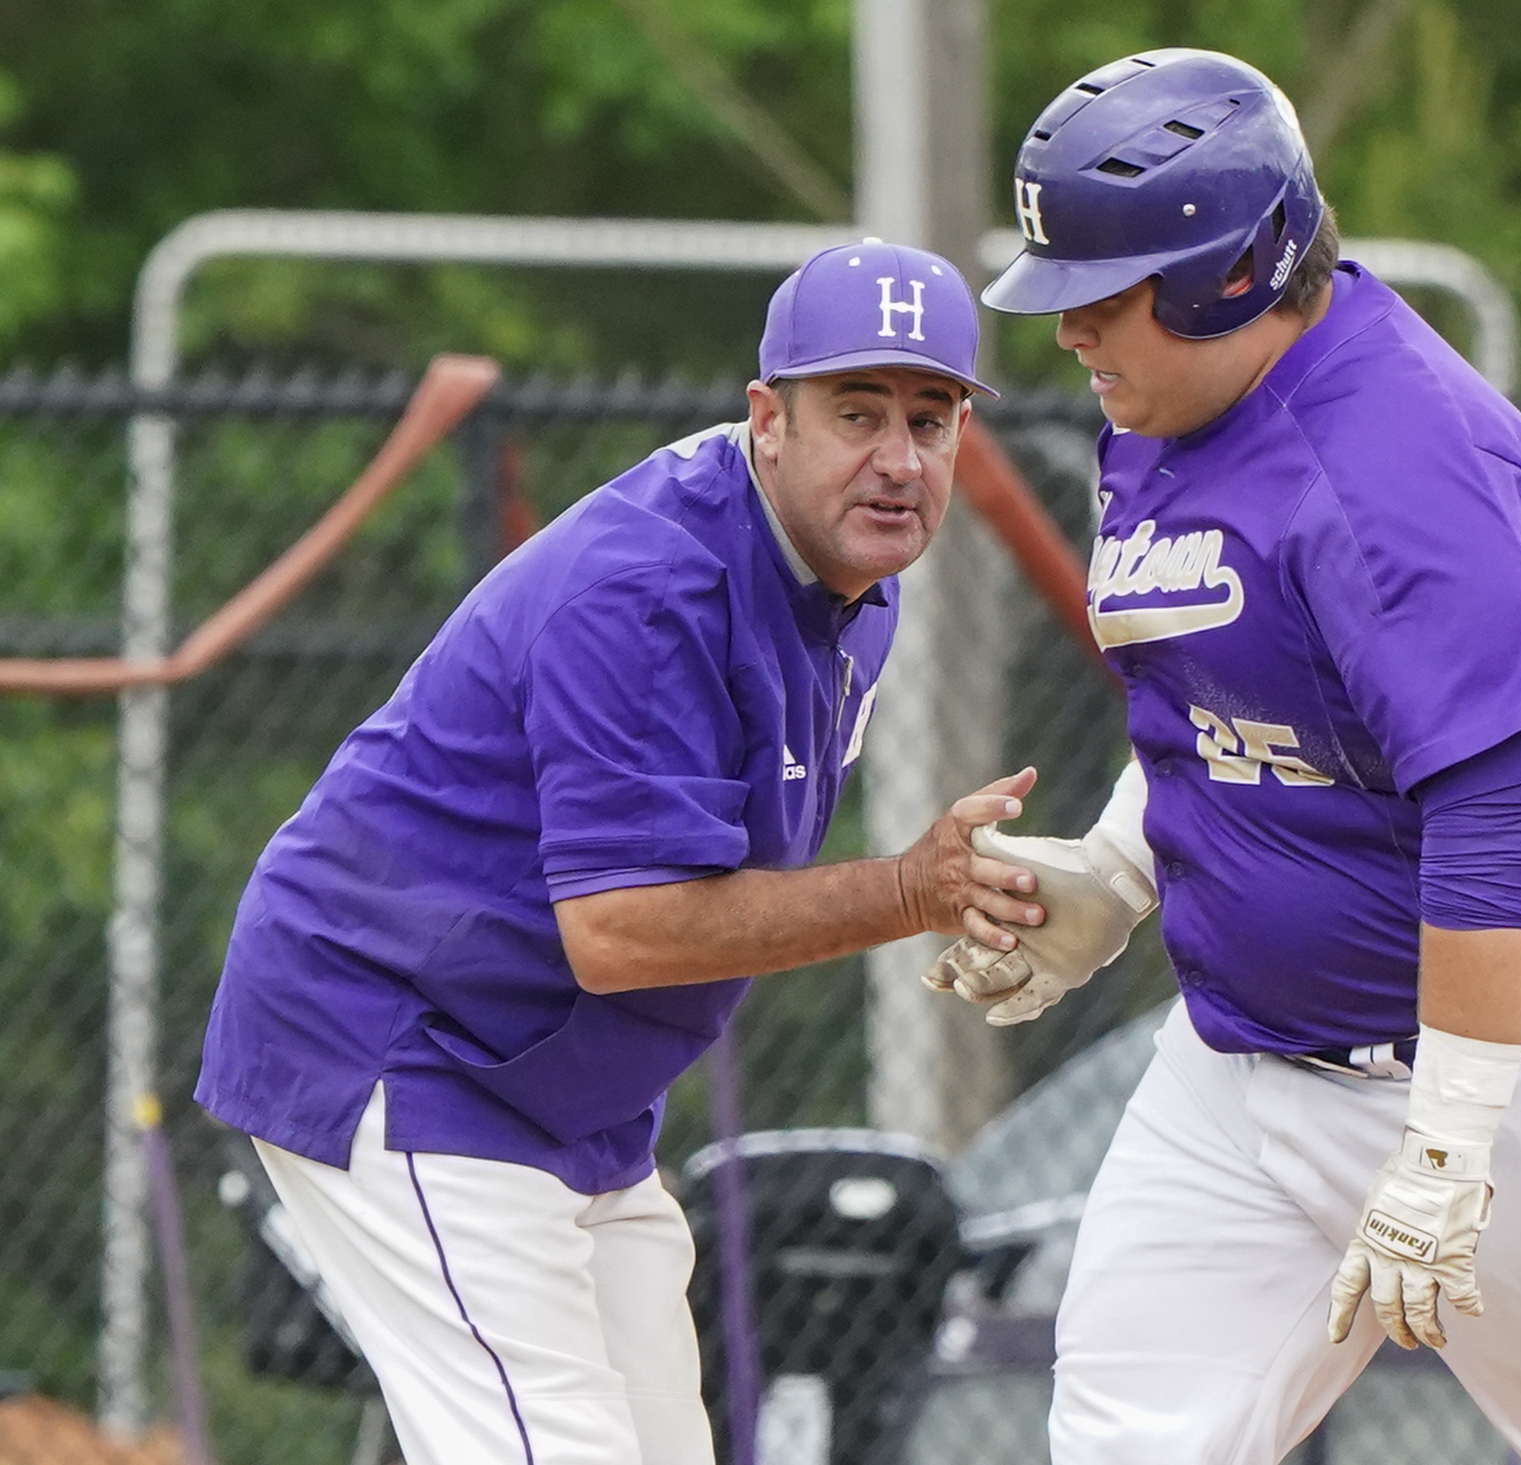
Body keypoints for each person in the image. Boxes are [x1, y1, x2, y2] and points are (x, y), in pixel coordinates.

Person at [928, 47, 1521, 1465]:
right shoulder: (1176, 403)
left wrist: (1442, 1146)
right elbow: (1223, 692)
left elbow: (1498, 815)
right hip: (1247, 1067)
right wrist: (1118, 878)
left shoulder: (1391, 463)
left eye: (1101, 297)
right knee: (1125, 1437)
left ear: (1229, 275)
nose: (1067, 336)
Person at [194, 239, 1047, 1465]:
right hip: (406, 1048)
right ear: (769, 418)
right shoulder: (649, 590)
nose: (899, 458)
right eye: (856, 412)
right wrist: (911, 890)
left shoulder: (857, 575)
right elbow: (624, 930)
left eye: (933, 416)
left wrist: (961, 902)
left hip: (568, 1089)